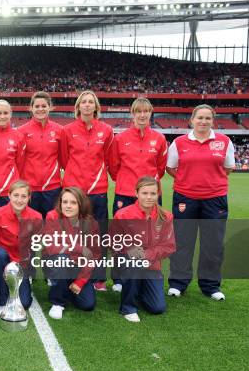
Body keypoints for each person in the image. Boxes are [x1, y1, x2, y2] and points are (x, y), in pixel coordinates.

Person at [166, 104, 234, 301]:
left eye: (207, 118)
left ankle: (210, 285)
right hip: (185, 198)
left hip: (215, 199)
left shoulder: (224, 141)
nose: (203, 121)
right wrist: (188, 180)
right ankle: (178, 283)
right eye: (200, 118)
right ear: (192, 120)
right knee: (182, 242)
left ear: (213, 121)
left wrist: (209, 181)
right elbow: (171, 168)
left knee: (212, 244)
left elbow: (228, 167)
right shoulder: (179, 142)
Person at [108, 97, 167, 292]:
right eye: (138, 111)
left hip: (151, 195)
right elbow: (114, 167)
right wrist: (128, 183)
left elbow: (160, 167)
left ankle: (146, 274)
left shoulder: (158, 139)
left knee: (150, 236)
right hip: (125, 193)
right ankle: (118, 278)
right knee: (122, 238)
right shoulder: (120, 138)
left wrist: (148, 189)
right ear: (132, 114)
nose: (142, 115)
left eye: (146, 111)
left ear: (151, 113)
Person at [60, 90, 113, 291]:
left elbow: (109, 159)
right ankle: (70, 273)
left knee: (98, 235)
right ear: (78, 107)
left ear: (96, 107)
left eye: (91, 102)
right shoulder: (68, 130)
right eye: (84, 102)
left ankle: (98, 278)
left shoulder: (106, 130)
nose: (88, 105)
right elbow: (64, 159)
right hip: (74, 192)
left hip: (98, 190)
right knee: (72, 234)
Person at [112, 176, 175, 322]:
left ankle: (138, 288)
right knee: (135, 262)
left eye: (153, 193)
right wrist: (129, 250)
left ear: (158, 194)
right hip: (128, 262)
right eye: (144, 193)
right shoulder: (122, 214)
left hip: (151, 265)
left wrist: (147, 254)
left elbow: (169, 246)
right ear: (136, 193)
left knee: (157, 308)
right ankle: (128, 308)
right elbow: (113, 242)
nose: (149, 197)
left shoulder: (166, 216)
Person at [0, 180, 42, 316]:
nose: (19, 200)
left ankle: (20, 282)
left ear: (29, 198)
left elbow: (36, 247)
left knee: (25, 303)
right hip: (2, 260)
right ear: (9, 195)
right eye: (16, 195)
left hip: (21, 264)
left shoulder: (36, 217)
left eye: (24, 196)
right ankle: (2, 301)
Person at [44, 187, 99, 319]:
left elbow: (94, 256)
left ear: (81, 204)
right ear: (60, 203)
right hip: (57, 262)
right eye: (65, 202)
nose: (68, 206)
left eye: (73, 203)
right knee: (61, 259)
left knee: (88, 304)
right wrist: (80, 248)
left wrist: (80, 281)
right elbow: (53, 246)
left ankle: (67, 287)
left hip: (78, 267)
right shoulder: (52, 216)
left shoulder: (91, 223)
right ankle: (58, 302)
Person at [19, 91, 63, 218]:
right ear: (31, 108)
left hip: (52, 188)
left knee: (52, 229)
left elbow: (63, 158)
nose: (40, 109)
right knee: (30, 230)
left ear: (50, 107)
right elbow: (19, 161)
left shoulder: (59, 130)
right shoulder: (21, 131)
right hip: (29, 188)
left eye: (44, 106)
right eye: (37, 106)